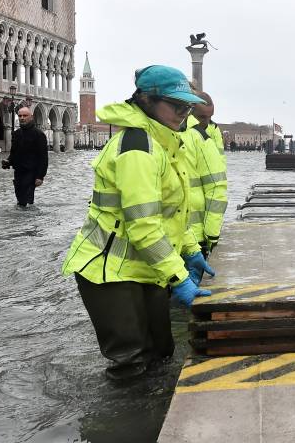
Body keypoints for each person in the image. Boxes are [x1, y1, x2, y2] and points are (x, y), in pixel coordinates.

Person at [61, 65, 215, 382]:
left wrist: (189, 249)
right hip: (109, 274)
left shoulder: (165, 144)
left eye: (187, 106)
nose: (184, 113)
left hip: (144, 269)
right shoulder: (138, 148)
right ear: (147, 100)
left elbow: (173, 211)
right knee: (132, 363)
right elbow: (144, 226)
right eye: (176, 105)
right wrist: (178, 276)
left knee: (161, 352)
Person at [182, 88, 229, 257]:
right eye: (202, 117)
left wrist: (211, 234)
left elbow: (216, 184)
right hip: (180, 231)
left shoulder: (206, 133)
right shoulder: (189, 135)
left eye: (210, 116)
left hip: (195, 231)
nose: (207, 121)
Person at [2, 106, 48, 207]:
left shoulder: (39, 134)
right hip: (18, 172)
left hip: (31, 172)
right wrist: (8, 162)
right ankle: (21, 221)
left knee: (26, 202)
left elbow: (43, 157)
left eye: (25, 116)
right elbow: (13, 153)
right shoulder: (16, 134)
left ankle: (29, 221)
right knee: (20, 200)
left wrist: (40, 176)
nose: (22, 118)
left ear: (31, 117)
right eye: (20, 116)